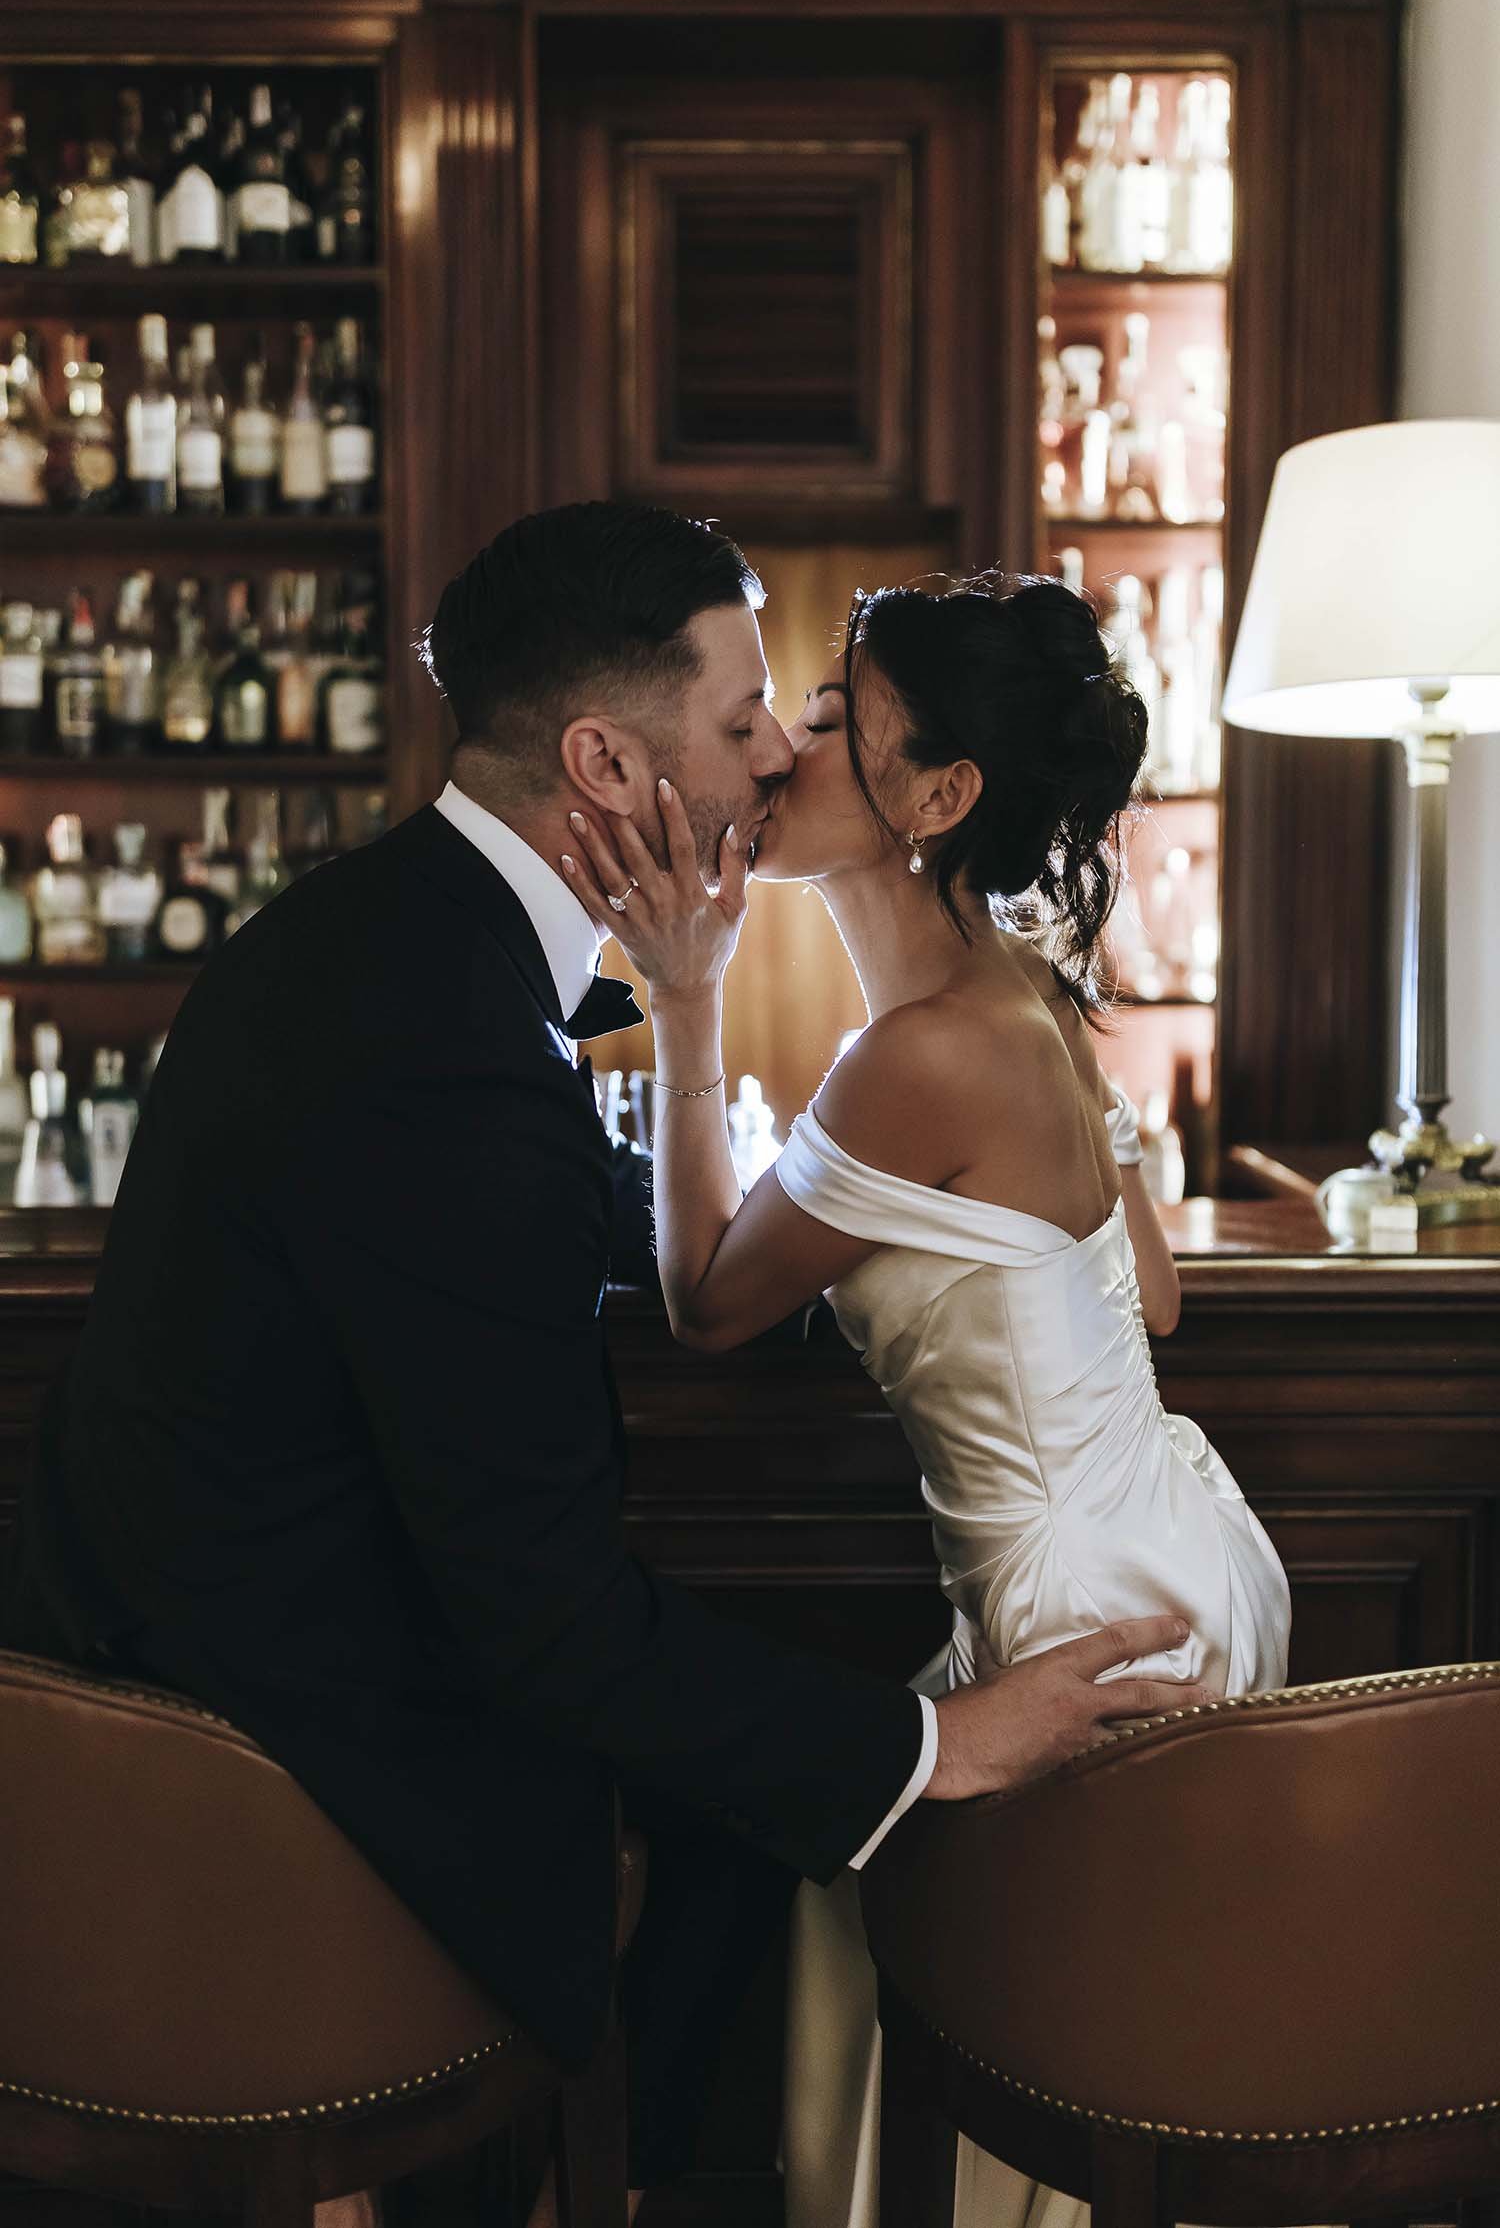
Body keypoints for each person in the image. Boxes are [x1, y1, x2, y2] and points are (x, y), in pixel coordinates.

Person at [0, 507, 1206, 2225]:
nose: (777, 753)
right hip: (248, 1751)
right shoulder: (447, 1042)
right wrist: (933, 1741)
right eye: (745, 718)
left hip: (213, 1631)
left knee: (743, 1839)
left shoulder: (405, 935)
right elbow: (546, 1614)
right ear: (603, 762)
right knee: (755, 1836)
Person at [558, 567, 1292, 2228]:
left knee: (980, 1994)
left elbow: (705, 1300)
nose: (781, 747)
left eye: (834, 719)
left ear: (940, 796)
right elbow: (1154, 1293)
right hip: (1179, 1548)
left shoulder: (921, 1054)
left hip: (1079, 1611)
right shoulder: (1026, 991)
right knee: (955, 1946)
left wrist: (688, 994)